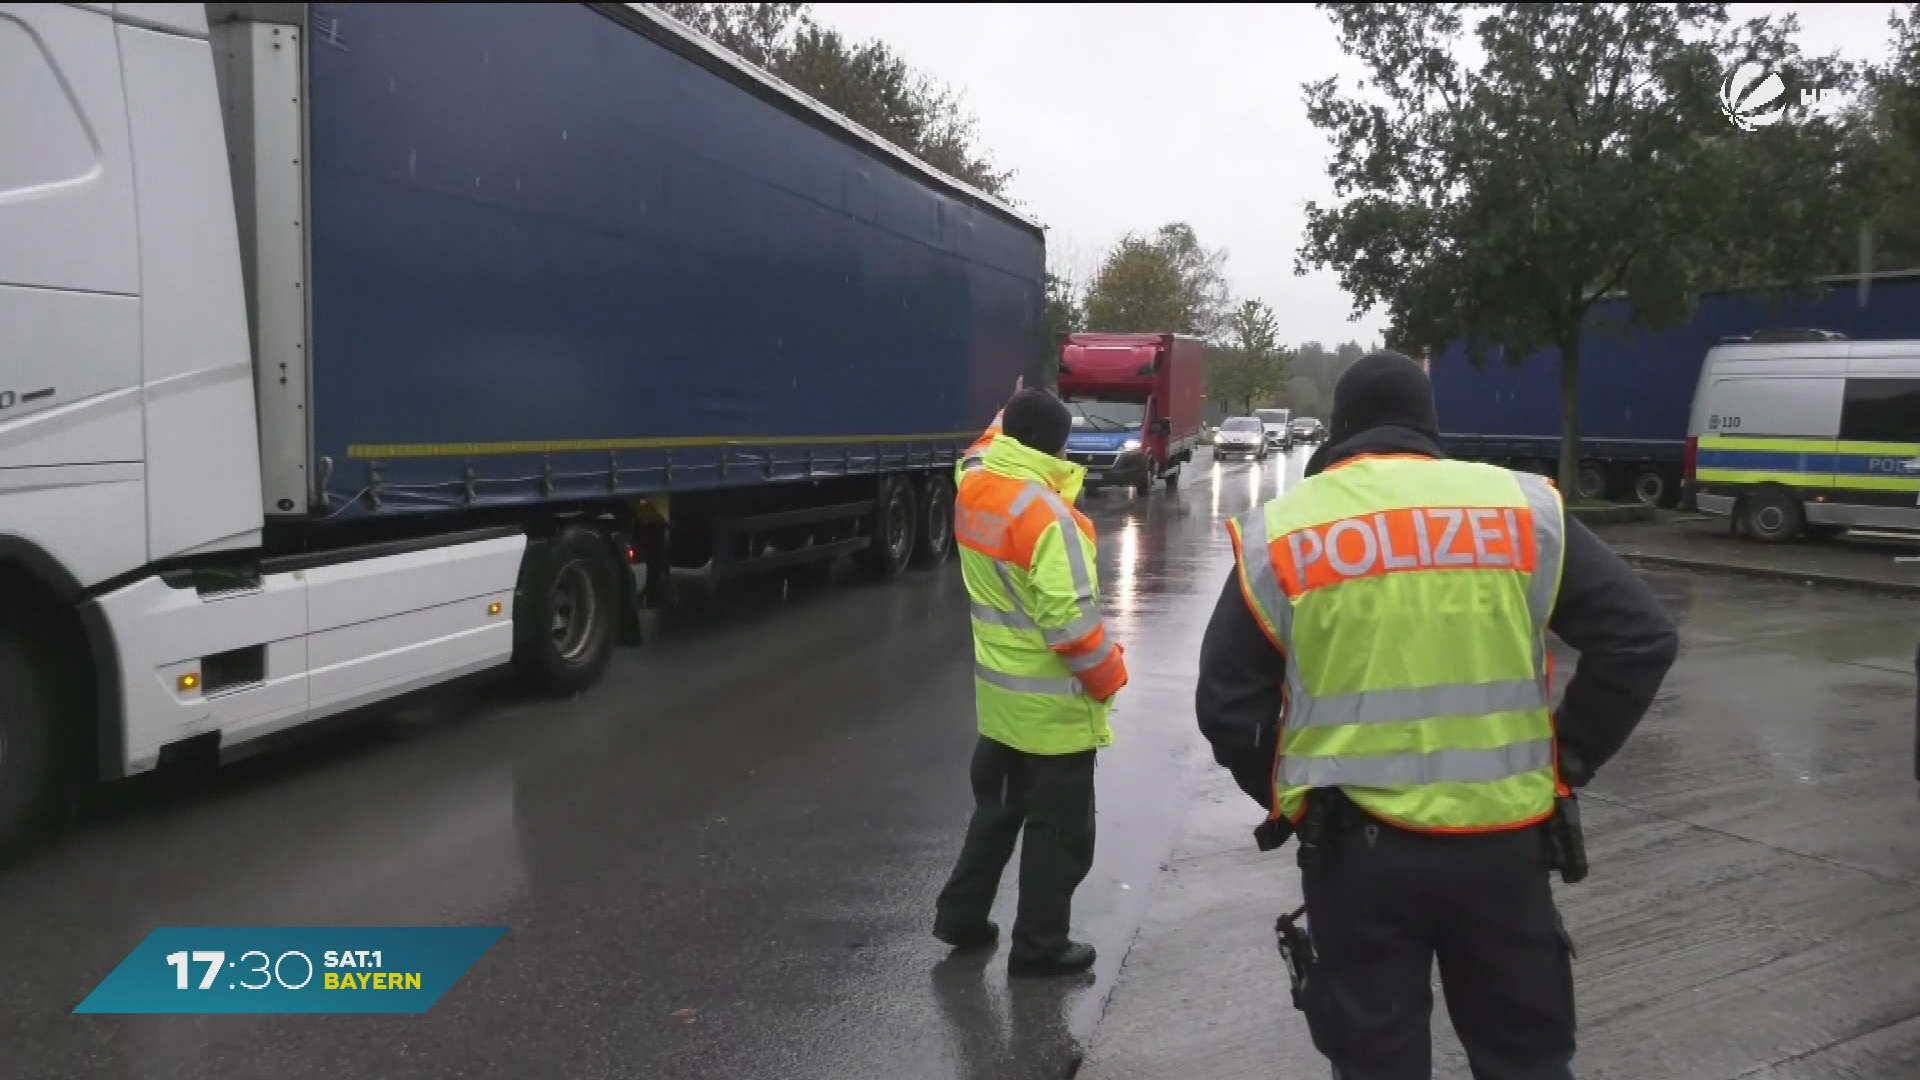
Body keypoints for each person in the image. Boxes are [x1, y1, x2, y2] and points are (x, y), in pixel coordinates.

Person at [1195, 351, 1679, 1079]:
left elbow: (1227, 699)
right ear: (1430, 429)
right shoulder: (1520, 511)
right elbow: (1641, 639)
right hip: (1505, 851)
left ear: (1339, 432)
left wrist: (1288, 798)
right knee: (1526, 1062)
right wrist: (1564, 760)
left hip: (1358, 855)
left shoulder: (1288, 530)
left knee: (1377, 1061)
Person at [935, 388, 1129, 978]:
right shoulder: (1052, 519)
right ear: (1060, 445)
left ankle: (961, 920)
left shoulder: (974, 484)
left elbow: (978, 450)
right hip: (1053, 719)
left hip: (998, 708)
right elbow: (1071, 627)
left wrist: (1006, 409)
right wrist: (1110, 676)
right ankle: (1040, 948)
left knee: (994, 814)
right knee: (1060, 837)